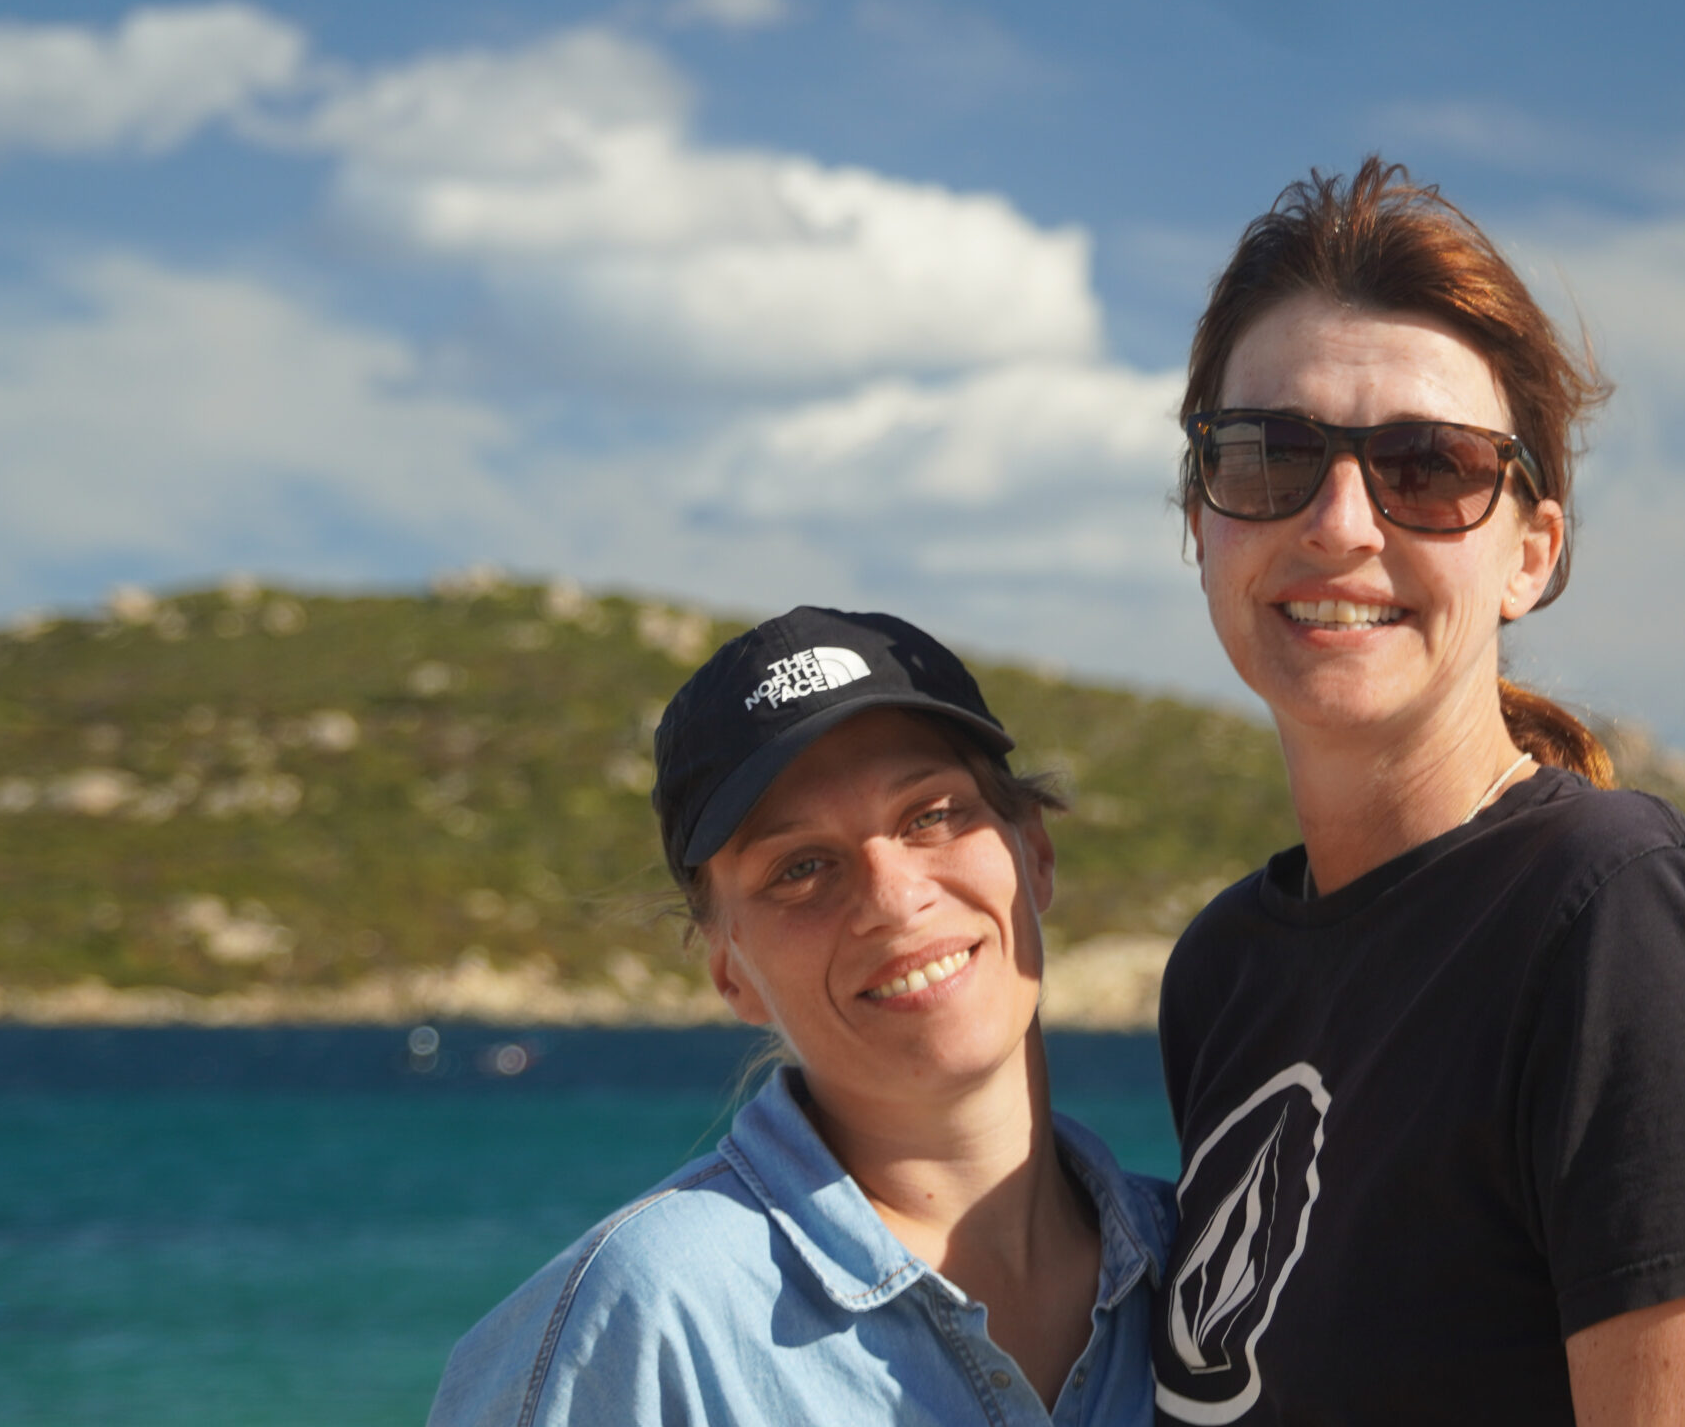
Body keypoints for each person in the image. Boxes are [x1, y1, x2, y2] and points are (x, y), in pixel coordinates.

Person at [1151, 160, 1685, 1426]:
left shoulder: (1613, 918)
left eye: (1427, 468)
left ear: (1530, 554)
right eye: (1269, 455)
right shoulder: (1224, 974)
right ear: (1199, 519)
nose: (1339, 522)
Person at [430, 607, 1171, 1427]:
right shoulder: (645, 1324)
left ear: (1034, 854)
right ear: (729, 969)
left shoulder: (1214, 1272)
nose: (892, 900)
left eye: (930, 815)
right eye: (801, 867)